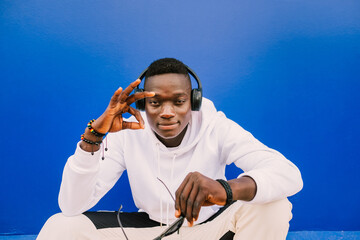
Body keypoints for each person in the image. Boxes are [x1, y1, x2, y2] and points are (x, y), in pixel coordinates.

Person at [37, 58, 303, 240]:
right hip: (150, 230)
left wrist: (226, 189)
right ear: (142, 104)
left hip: (209, 231)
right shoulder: (127, 133)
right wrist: (93, 136)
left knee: (274, 205)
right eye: (155, 103)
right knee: (62, 225)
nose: (166, 112)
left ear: (194, 101)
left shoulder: (216, 127)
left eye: (178, 101)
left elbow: (289, 174)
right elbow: (71, 205)